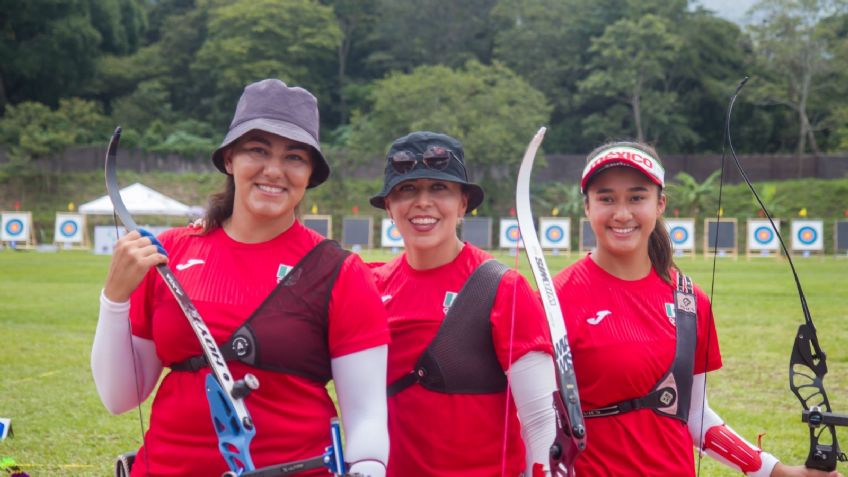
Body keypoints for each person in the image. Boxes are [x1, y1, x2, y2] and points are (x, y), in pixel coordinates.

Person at [91, 79, 390, 477]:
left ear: (310, 174)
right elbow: (119, 396)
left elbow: (367, 415)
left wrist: (368, 468)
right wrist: (114, 300)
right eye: (258, 150)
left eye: (295, 157)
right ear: (229, 159)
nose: (274, 170)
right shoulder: (169, 253)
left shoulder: (340, 272)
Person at [552, 141, 842, 477]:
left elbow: (696, 417)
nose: (622, 213)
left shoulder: (689, 301)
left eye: (636, 197)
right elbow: (538, 421)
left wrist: (779, 472)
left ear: (660, 203)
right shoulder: (556, 297)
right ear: (586, 206)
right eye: (606, 198)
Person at [369, 131, 559, 476]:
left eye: (439, 188)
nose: (422, 202)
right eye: (407, 190)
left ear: (463, 204)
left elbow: (542, 419)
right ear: (389, 206)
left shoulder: (501, 287)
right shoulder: (371, 285)